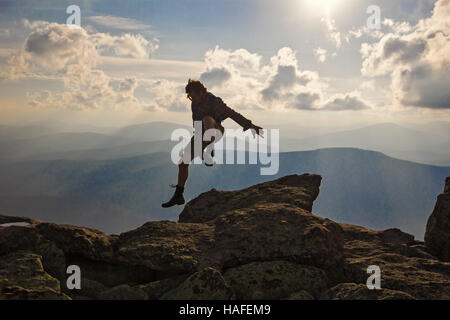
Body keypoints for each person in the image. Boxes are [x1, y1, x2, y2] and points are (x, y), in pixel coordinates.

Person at [161, 79, 263, 208]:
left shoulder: (214, 101)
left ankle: (209, 149)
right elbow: (196, 124)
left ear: (201, 92)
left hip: (216, 130)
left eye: (193, 96)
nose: (192, 99)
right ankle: (178, 195)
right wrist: (197, 143)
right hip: (200, 133)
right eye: (189, 97)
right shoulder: (194, 103)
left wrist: (250, 125)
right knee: (182, 163)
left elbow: (232, 113)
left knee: (207, 118)